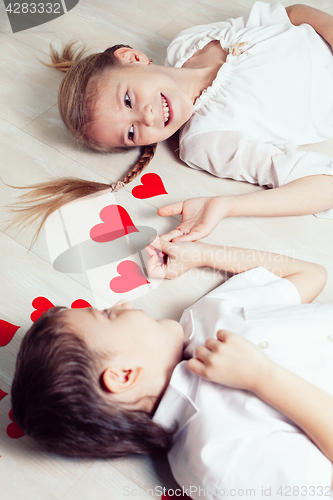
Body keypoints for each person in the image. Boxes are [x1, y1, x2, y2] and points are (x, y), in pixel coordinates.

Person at [11, 233, 333, 499]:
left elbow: (310, 276)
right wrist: (263, 377)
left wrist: (203, 254)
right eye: (108, 315)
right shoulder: (216, 460)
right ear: (123, 376)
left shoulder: (204, 317)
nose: (124, 303)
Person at [11, 2, 333, 239]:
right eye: (132, 131)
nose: (147, 117)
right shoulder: (207, 140)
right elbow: (323, 185)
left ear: (132, 58)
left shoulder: (188, 42)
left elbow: (292, 15)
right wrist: (227, 206)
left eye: (128, 100)